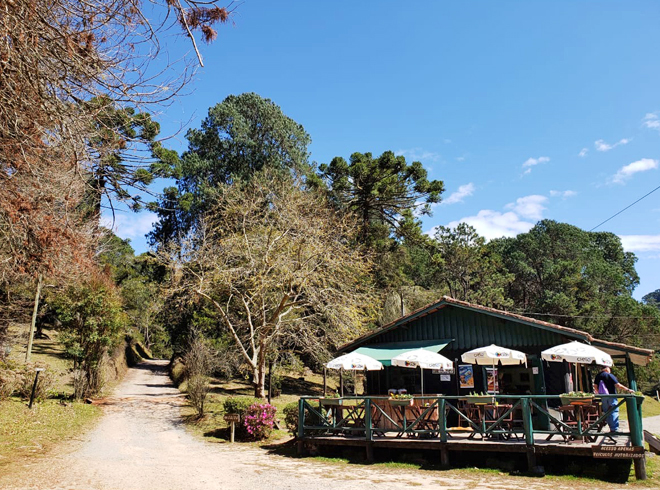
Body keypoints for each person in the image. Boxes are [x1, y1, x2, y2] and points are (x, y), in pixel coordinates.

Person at [593, 365, 634, 433]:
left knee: (607, 412)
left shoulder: (598, 376)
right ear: (607, 368)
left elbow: (595, 386)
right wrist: (628, 389)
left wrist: (599, 393)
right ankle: (614, 429)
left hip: (603, 396)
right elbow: (618, 385)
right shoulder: (609, 375)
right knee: (614, 411)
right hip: (611, 395)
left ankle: (611, 427)